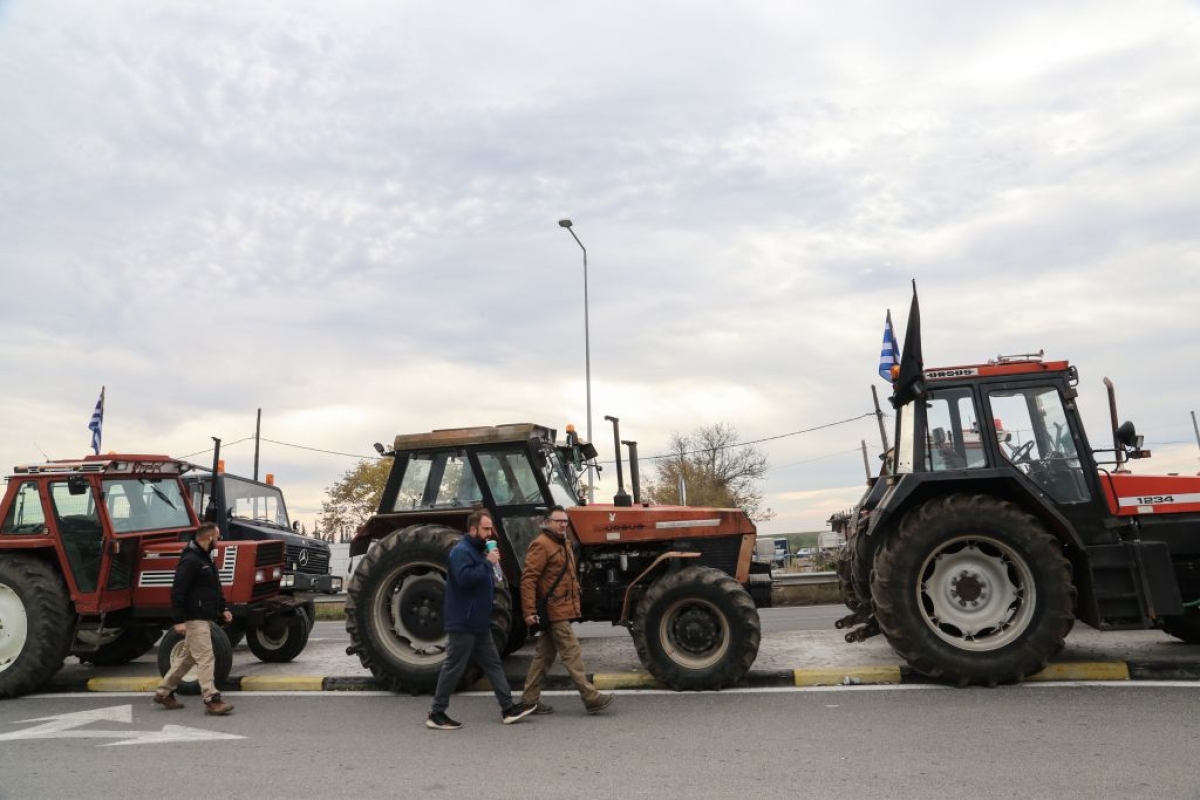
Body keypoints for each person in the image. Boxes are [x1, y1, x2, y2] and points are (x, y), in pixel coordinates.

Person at [427, 509, 536, 730]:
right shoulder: (461, 551)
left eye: (491, 529)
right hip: (464, 621)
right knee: (454, 667)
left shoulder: (478, 550)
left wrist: (492, 564)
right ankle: (436, 713)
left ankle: (508, 708)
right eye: (486, 529)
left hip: (478, 621)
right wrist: (487, 562)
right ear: (474, 529)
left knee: (493, 664)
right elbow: (465, 579)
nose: (490, 533)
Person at [519, 506, 613, 715]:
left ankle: (528, 700)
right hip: (554, 611)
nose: (563, 524)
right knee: (572, 653)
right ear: (547, 522)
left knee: (543, 657)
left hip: (561, 608)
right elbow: (528, 579)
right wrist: (528, 611)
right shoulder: (541, 545)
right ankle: (590, 698)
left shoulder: (564, 543)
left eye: (565, 521)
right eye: (558, 520)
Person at [151, 521, 235, 715]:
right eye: (218, 537)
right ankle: (211, 699)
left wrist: (223, 608)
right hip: (195, 618)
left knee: (187, 658)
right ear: (209, 537)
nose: (219, 540)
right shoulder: (191, 560)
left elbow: (215, 586)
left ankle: (163, 692)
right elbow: (178, 591)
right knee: (206, 657)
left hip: (205, 616)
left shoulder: (205, 558)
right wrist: (178, 620)